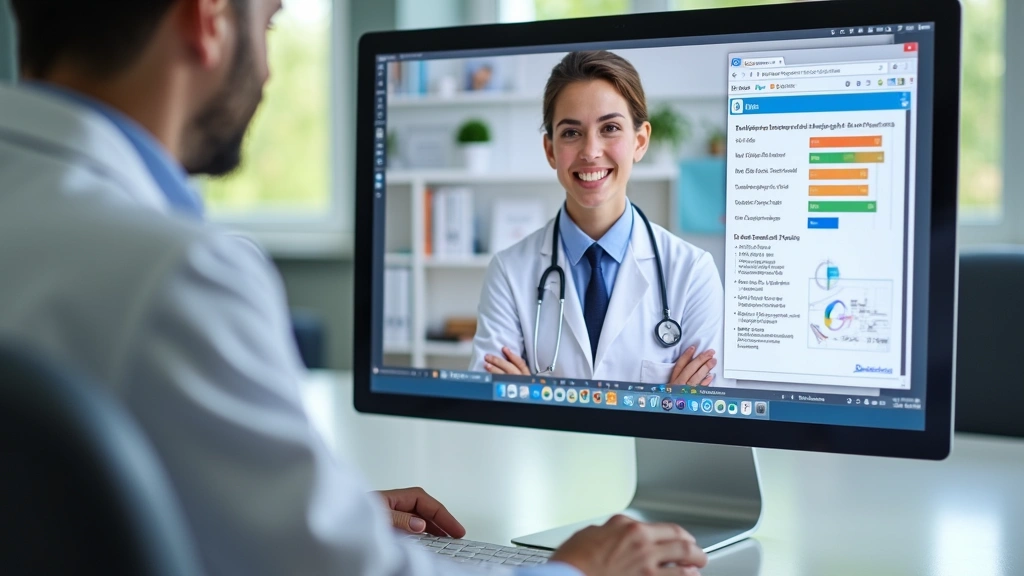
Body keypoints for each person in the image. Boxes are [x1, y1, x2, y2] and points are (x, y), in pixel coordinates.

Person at [0, 2, 707, 575]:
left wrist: (299, 512)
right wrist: (574, 572)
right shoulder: (179, 274)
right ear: (209, 19)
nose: (272, 68)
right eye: (271, 21)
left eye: (610, 129)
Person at [469, 51, 725, 387]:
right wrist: (666, 401)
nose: (590, 151)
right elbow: (491, 406)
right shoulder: (509, 272)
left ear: (640, 140)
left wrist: (533, 396)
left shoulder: (692, 272)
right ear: (550, 150)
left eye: (610, 128)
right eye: (571, 133)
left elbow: (709, 413)